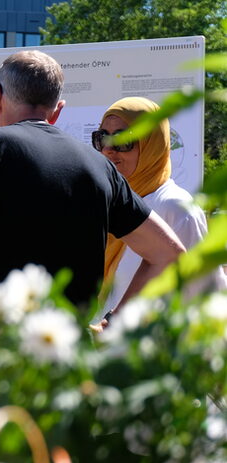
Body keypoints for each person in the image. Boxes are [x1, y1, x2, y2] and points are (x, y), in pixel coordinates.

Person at [0, 50, 185, 463]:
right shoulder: (98, 165)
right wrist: (110, 323)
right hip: (68, 371)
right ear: (57, 109)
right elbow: (169, 254)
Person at [95, 96, 227, 313]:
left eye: (123, 139)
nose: (109, 150)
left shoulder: (177, 207)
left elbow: (204, 297)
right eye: (103, 138)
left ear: (152, 143)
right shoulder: (107, 203)